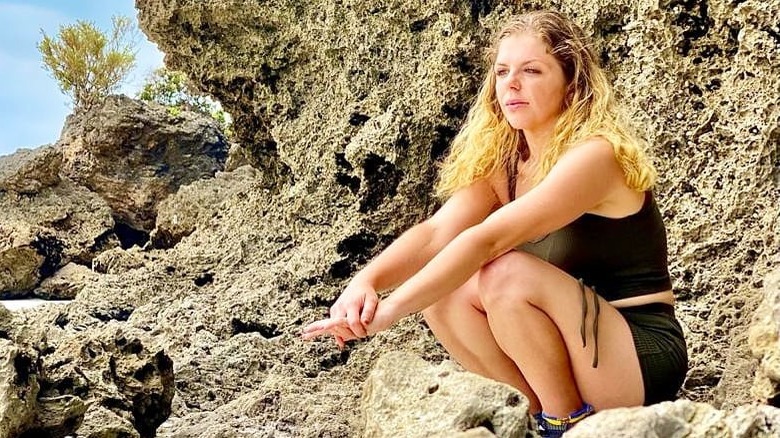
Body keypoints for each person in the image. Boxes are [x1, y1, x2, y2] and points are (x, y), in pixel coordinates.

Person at [302, 10, 687, 437]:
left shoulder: (595, 156)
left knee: (503, 272)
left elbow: (489, 240)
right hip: (571, 351)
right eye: (502, 72)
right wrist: (366, 283)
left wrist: (390, 311)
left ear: (571, 83)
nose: (512, 84)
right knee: (444, 295)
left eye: (532, 71)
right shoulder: (506, 166)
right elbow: (434, 234)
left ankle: (564, 423)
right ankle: (537, 416)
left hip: (636, 352)